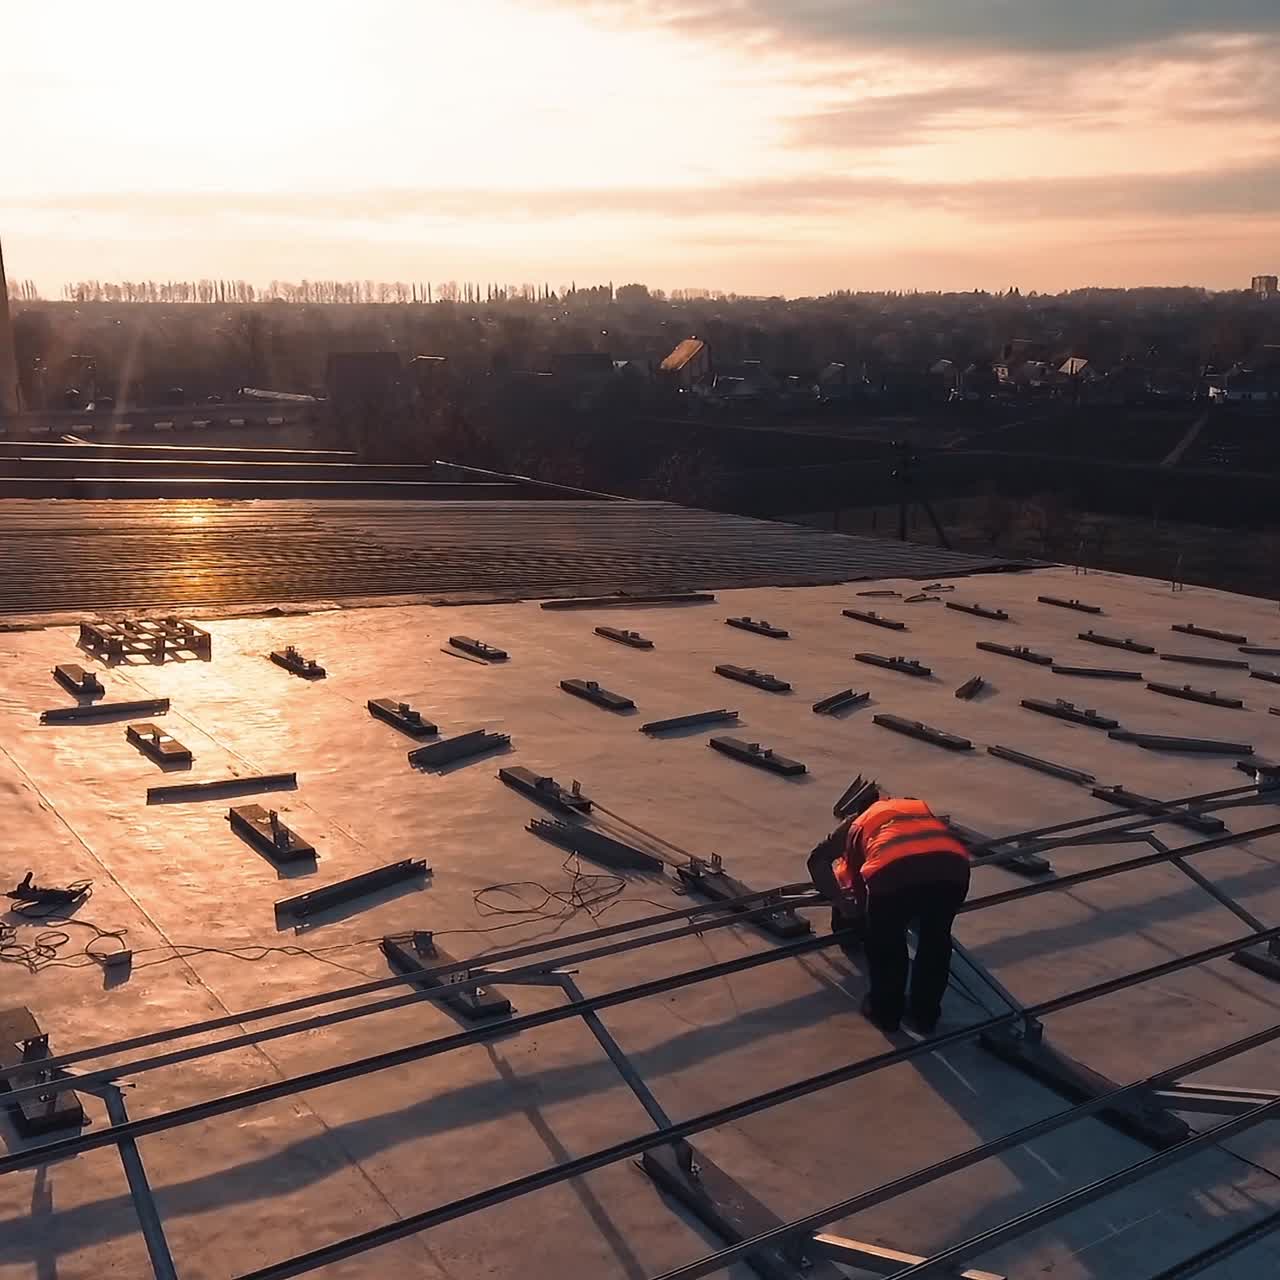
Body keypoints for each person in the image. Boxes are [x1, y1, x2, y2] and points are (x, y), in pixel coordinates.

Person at [809, 794, 971, 1034]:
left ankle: (885, 1013)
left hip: (894, 872)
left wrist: (845, 906)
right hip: (954, 869)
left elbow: (838, 872)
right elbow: (928, 852)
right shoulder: (914, 808)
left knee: (887, 944)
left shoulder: (857, 824)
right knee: (936, 941)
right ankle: (925, 1015)